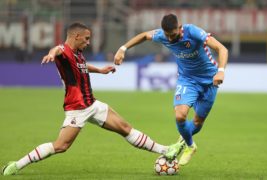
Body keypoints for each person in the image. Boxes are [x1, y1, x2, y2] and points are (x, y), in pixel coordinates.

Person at [2, 22, 184, 176]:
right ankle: (17, 165)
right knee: (61, 146)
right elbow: (57, 49)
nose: (88, 42)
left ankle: (166, 149)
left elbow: (82, 66)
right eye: (86, 38)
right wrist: (51, 53)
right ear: (76, 36)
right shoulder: (64, 51)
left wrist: (100, 70)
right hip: (77, 108)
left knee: (125, 128)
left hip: (92, 103)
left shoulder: (77, 54)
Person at [114, 14, 228, 166]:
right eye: (167, 35)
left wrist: (221, 70)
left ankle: (181, 143)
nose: (169, 39)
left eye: (172, 35)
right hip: (187, 80)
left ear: (180, 28)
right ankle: (190, 145)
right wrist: (123, 48)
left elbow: (222, 48)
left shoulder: (193, 32)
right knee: (180, 116)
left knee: (197, 122)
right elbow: (143, 36)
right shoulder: (163, 35)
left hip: (210, 81)